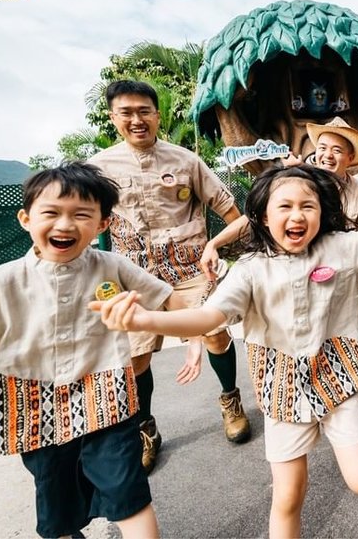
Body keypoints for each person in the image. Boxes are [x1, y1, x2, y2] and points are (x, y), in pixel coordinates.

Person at [93, 163, 358, 538]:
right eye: (284, 206)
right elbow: (207, 316)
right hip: (279, 383)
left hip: (338, 375)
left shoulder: (341, 248)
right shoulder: (249, 269)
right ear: (265, 217)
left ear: (322, 214)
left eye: (308, 205)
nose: (297, 215)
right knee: (287, 495)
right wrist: (145, 321)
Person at [0, 163, 181, 538]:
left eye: (82, 215)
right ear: (25, 219)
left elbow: (169, 300)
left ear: (102, 224)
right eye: (51, 213)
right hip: (35, 412)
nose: (65, 225)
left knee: (130, 495)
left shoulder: (112, 265)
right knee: (56, 511)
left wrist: (206, 326)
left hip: (106, 402)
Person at [89, 79, 250, 472]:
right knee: (138, 358)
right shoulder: (97, 168)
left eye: (144, 111)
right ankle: (146, 429)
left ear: (158, 115)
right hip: (133, 278)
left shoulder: (186, 162)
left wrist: (215, 246)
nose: (136, 119)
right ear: (113, 118)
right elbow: (84, 222)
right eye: (126, 112)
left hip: (189, 269)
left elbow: (238, 218)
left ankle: (231, 400)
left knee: (214, 334)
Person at [201, 117, 358, 414]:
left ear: (350, 157)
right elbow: (253, 217)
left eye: (338, 150)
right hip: (296, 275)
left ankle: (353, 382)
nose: (328, 154)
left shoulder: (357, 192)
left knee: (354, 325)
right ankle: (302, 390)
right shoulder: (299, 180)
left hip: (343, 278)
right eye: (324, 147)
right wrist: (215, 243)